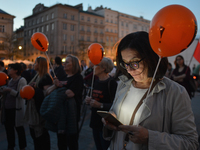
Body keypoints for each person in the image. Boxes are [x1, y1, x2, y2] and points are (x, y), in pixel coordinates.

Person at [102, 31, 198, 150]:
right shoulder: (123, 84)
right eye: (125, 64)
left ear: (151, 58)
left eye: (134, 63)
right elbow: (114, 116)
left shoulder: (175, 92)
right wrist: (110, 122)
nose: (129, 70)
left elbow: (190, 143)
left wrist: (150, 137)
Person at [47, 54, 84, 150]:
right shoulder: (63, 76)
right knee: (61, 142)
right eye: (64, 62)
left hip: (71, 115)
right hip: (60, 115)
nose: (64, 64)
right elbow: (48, 92)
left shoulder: (78, 77)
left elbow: (69, 94)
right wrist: (56, 86)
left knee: (72, 142)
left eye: (67, 62)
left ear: (74, 64)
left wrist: (57, 88)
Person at [85, 57, 118, 150]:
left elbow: (116, 105)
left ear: (103, 68)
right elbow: (95, 97)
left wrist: (100, 105)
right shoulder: (96, 81)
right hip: (95, 121)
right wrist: (89, 100)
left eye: (96, 65)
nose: (93, 67)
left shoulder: (111, 83)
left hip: (105, 124)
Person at [24, 56, 53, 150]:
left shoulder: (46, 78)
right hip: (33, 110)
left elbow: (47, 94)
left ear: (41, 65)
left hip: (39, 113)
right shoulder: (37, 76)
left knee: (41, 137)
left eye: (36, 63)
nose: (34, 64)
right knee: (35, 137)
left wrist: (35, 91)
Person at [0, 63, 27, 150]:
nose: (8, 70)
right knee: (9, 129)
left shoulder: (22, 80)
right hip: (7, 109)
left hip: (16, 109)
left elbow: (21, 95)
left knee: (19, 129)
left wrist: (9, 90)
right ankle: (11, 146)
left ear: (16, 70)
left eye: (10, 68)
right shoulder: (10, 80)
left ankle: (22, 147)